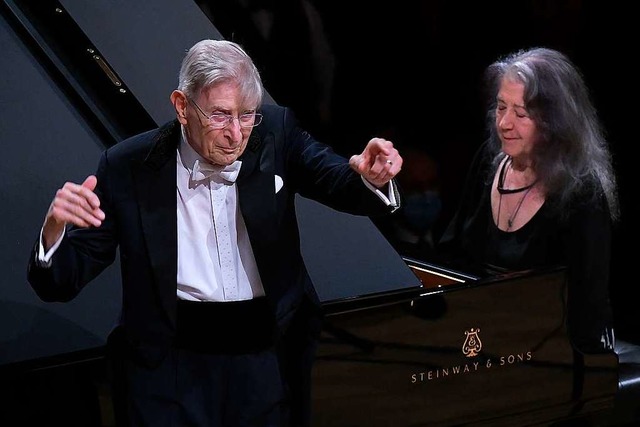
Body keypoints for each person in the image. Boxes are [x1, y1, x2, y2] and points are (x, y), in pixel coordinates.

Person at [26, 39, 403, 427]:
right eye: (220, 116)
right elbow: (61, 282)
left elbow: (335, 179)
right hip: (169, 367)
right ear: (182, 106)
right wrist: (54, 231)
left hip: (267, 359)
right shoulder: (128, 167)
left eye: (246, 115)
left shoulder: (275, 132)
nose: (236, 133)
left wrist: (370, 178)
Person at [436, 47, 619, 354]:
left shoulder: (581, 192)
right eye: (500, 107)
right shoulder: (488, 162)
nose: (505, 123)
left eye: (521, 114)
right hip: (482, 331)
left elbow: (585, 304)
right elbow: (451, 257)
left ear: (553, 123)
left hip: (552, 348)